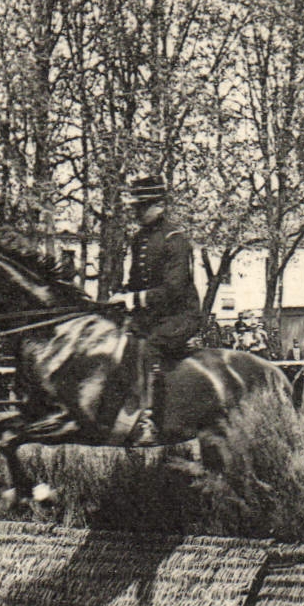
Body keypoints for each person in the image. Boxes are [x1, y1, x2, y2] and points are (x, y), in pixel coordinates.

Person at [105, 174, 203, 444]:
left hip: (180, 316)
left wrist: (133, 300)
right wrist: (121, 296)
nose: (137, 213)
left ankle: (148, 421)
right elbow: (136, 281)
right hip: (150, 315)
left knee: (148, 348)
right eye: (136, 207)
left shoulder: (176, 240)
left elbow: (174, 291)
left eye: (142, 206)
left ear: (159, 205)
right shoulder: (139, 240)